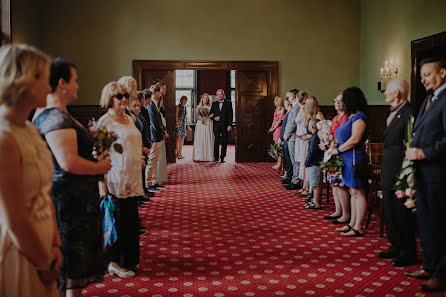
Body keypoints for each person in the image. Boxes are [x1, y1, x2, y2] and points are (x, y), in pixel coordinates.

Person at [33, 58, 112, 296]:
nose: (78, 86)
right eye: (75, 80)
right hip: (69, 202)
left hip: (72, 199)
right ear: (61, 84)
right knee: (70, 265)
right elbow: (68, 163)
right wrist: (100, 167)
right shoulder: (56, 119)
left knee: (70, 268)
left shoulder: (52, 114)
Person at [0, 44, 60, 297]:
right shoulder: (4, 138)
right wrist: (43, 262)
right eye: (44, 78)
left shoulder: (30, 130)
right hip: (21, 251)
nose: (49, 86)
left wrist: (56, 243)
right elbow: (14, 218)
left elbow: (46, 193)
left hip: (46, 242)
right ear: (23, 80)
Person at [405, 56, 446, 292]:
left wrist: (425, 153)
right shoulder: (430, 99)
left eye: (428, 74)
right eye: (421, 76)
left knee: (439, 224)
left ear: (443, 73)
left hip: (438, 172)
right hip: (423, 173)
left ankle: (442, 272)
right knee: (427, 223)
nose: (423, 80)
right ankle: (429, 265)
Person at [98, 81, 145, 278]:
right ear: (110, 99)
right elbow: (98, 154)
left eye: (126, 95)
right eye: (120, 96)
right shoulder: (105, 122)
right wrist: (101, 184)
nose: (124, 99)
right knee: (116, 222)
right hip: (114, 178)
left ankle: (129, 260)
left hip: (132, 178)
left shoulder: (128, 118)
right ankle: (114, 262)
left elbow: (134, 142)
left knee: (130, 221)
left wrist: (141, 158)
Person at [375, 78, 417, 268]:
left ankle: (408, 251)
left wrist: (405, 174)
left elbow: (409, 143)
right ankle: (395, 245)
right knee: (390, 210)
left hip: (400, 169)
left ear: (397, 94)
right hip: (389, 167)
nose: (385, 94)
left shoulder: (408, 113)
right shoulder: (394, 113)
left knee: (401, 212)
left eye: (388, 91)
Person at [330, 86, 368, 237]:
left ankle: (358, 227)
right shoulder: (352, 117)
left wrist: (337, 150)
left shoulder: (360, 117)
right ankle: (352, 223)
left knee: (358, 192)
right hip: (346, 158)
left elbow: (354, 140)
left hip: (354, 158)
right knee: (352, 192)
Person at [321, 94, 350, 224]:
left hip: (341, 153)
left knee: (340, 184)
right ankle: (338, 210)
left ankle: (346, 213)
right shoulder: (334, 118)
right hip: (331, 152)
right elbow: (331, 134)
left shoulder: (346, 118)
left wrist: (334, 143)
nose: (337, 103)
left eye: (340, 101)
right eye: (335, 100)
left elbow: (344, 136)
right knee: (334, 184)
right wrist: (325, 141)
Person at [299, 95, 324, 197]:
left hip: (316, 144)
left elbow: (323, 132)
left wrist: (309, 136)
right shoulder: (311, 115)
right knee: (310, 169)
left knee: (314, 170)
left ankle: (314, 194)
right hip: (310, 141)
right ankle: (309, 191)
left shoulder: (319, 115)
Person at [146, 84, 169, 191]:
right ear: (156, 92)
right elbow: (154, 123)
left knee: (155, 160)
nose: (161, 94)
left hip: (157, 135)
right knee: (152, 160)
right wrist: (162, 133)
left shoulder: (154, 104)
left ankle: (154, 181)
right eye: (160, 92)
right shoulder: (151, 105)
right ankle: (149, 183)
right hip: (155, 136)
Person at [283, 89, 302, 189]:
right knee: (292, 159)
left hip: (293, 137)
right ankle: (294, 180)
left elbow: (292, 123)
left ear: (294, 97)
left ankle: (295, 181)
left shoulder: (296, 108)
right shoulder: (294, 107)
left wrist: (287, 134)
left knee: (295, 160)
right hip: (291, 136)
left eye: (289, 96)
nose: (288, 99)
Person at [304, 119, 324, 209]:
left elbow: (311, 152)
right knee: (314, 183)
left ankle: (316, 202)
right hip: (315, 163)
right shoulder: (315, 136)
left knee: (315, 184)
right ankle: (314, 201)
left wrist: (306, 162)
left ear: (311, 127)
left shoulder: (314, 138)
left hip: (314, 163)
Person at [210, 89, 233, 163]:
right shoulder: (214, 103)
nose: (220, 96)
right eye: (218, 94)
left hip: (225, 126)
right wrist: (214, 118)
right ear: (217, 95)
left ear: (223, 95)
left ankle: (222, 157)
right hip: (216, 126)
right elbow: (210, 115)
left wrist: (230, 125)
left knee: (224, 142)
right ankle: (216, 158)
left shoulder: (229, 103)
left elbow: (230, 115)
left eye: (221, 94)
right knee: (216, 142)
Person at [193, 93, 214, 161]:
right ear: (202, 99)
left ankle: (208, 156)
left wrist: (209, 116)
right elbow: (196, 117)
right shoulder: (198, 107)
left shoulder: (210, 106)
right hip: (200, 124)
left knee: (208, 138)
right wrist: (201, 118)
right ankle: (199, 156)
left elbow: (212, 114)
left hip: (208, 123)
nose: (206, 99)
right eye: (204, 98)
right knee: (200, 138)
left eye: (207, 98)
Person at [269, 96, 286, 169]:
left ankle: (280, 163)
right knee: (276, 145)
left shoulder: (282, 109)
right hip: (275, 129)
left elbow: (279, 121)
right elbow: (274, 119)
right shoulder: (276, 109)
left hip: (279, 128)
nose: (274, 102)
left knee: (279, 146)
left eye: (275, 101)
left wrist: (274, 128)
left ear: (278, 102)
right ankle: (279, 162)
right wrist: (272, 127)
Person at [279, 97, 293, 183]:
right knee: (286, 158)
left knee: (289, 159)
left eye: (285, 102)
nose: (284, 104)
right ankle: (288, 175)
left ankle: (289, 176)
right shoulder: (287, 112)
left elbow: (288, 126)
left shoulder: (291, 111)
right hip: (284, 137)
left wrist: (282, 137)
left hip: (287, 137)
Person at [156, 96, 168, 184]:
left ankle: (161, 176)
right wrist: (163, 133)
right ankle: (157, 178)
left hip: (162, 136)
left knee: (162, 157)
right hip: (158, 136)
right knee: (158, 158)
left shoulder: (159, 112)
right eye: (161, 101)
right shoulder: (156, 112)